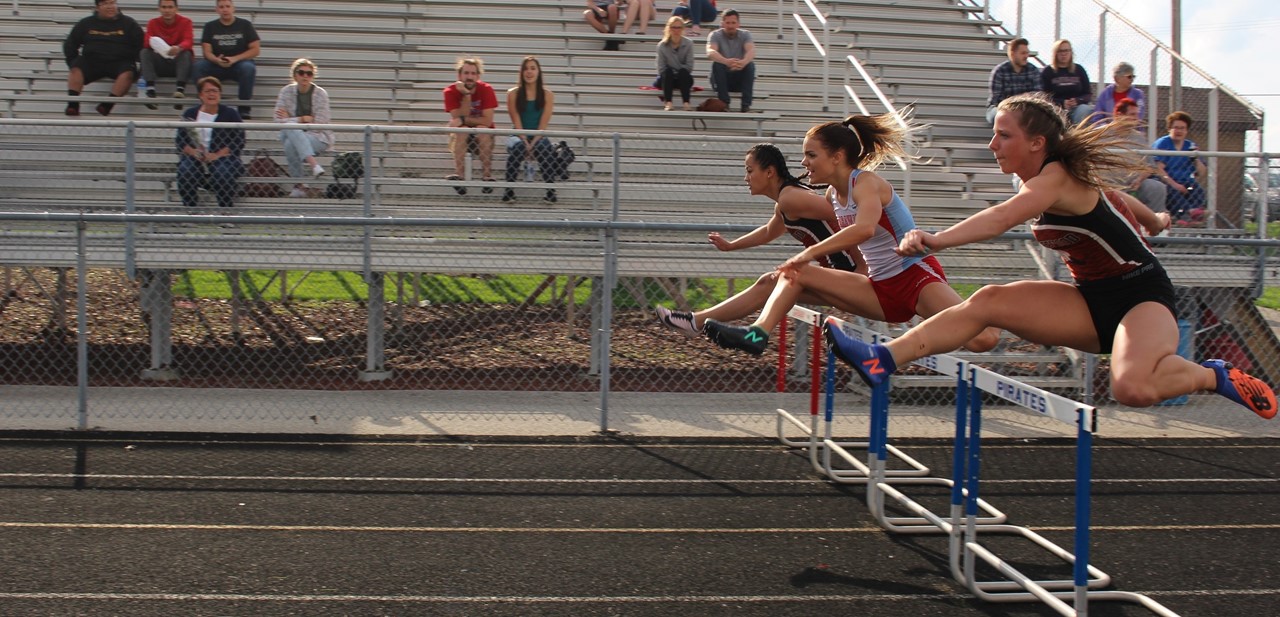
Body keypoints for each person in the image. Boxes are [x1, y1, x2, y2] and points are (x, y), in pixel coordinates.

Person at [823, 92, 1275, 420]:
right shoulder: (1056, 179)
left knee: (1132, 387)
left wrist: (936, 239)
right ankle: (881, 360)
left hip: (1141, 298)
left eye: (1003, 135)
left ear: (1036, 143)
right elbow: (1108, 193)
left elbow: (1001, 219)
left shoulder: (1053, 180)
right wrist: (1152, 219)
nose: (992, 144)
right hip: (1089, 299)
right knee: (989, 300)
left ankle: (1213, 375)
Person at [700, 113, 1001, 357]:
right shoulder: (832, 194)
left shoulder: (866, 183)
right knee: (790, 275)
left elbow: (864, 228)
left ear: (837, 156)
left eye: (811, 154)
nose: (804, 162)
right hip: (878, 288)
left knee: (983, 339)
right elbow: (784, 224)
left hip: (914, 277)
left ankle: (993, 302)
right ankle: (756, 334)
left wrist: (807, 254)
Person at [655, 143, 863, 337]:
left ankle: (717, 326)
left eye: (749, 170)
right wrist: (731, 246)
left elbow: (843, 216)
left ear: (770, 172)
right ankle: (696, 322)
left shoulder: (791, 198)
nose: (746, 178)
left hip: (852, 276)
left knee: (777, 280)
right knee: (769, 282)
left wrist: (862, 266)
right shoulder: (784, 203)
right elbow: (769, 232)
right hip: (841, 275)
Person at [63, 0, 144, 117]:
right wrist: (72, 62)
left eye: (113, 3)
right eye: (105, 4)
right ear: (97, 7)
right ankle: (73, 105)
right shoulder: (86, 23)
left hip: (119, 62)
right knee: (76, 68)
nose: (110, 7)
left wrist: (138, 68)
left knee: (128, 74)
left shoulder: (129, 23)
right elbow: (70, 44)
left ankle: (106, 106)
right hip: (92, 61)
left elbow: (140, 45)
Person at [176, 76, 244, 209]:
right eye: (208, 91)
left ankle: (226, 211)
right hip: (196, 157)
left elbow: (239, 140)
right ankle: (190, 210)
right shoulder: (190, 113)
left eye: (215, 91)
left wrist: (216, 155)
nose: (212, 94)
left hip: (223, 158)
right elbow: (180, 140)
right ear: (200, 95)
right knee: (186, 170)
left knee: (222, 172)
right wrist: (194, 152)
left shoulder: (230, 114)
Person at [502, 56, 558, 204]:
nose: (529, 72)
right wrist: (525, 142)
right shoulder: (513, 93)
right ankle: (509, 191)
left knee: (543, 148)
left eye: (533, 68)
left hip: (538, 135)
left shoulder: (548, 95)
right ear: (521, 72)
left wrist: (533, 144)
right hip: (518, 135)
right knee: (518, 147)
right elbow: (516, 121)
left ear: (539, 72)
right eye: (526, 69)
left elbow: (543, 125)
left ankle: (550, 191)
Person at [273, 58, 333, 198]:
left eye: (309, 73)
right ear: (295, 75)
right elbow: (277, 119)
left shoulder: (320, 94)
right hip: (292, 133)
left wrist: (290, 120)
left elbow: (320, 123)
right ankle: (314, 166)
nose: (305, 76)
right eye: (301, 73)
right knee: (291, 129)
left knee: (290, 142)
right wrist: (302, 119)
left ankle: (298, 185)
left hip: (318, 137)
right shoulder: (286, 92)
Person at [193, 0, 259, 119]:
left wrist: (235, 59)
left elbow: (255, 50)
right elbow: (206, 51)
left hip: (238, 64)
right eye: (221, 7)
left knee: (248, 68)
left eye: (227, 6)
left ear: (233, 8)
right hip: (217, 64)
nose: (225, 9)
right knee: (198, 66)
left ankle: (244, 109)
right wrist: (216, 60)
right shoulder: (210, 26)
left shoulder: (245, 25)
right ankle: (205, 104)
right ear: (217, 10)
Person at [443, 57, 499, 195]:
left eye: (473, 74)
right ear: (459, 75)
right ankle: (459, 177)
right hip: (462, 137)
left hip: (483, 136)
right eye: (466, 73)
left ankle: (487, 177)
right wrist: (467, 95)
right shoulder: (450, 91)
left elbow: (486, 121)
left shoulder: (486, 89)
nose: (470, 77)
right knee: (462, 130)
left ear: (478, 76)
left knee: (483, 130)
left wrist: (463, 119)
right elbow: (457, 120)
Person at [1152, 110, 1209, 221]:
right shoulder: (1163, 143)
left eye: (1182, 128)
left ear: (1187, 130)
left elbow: (1202, 172)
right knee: (1171, 190)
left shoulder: (1190, 145)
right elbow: (1158, 169)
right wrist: (1175, 185)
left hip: (1186, 182)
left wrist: (1195, 158)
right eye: (1176, 128)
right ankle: (1189, 213)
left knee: (1197, 190)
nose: (1179, 131)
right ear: (1169, 129)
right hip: (1167, 181)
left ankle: (1191, 217)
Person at [139, 0, 194, 110]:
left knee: (186, 53)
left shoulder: (186, 22)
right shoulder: (153, 23)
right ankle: (150, 91)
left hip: (177, 64)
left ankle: (179, 92)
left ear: (176, 9)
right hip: (160, 63)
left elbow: (188, 41)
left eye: (170, 7)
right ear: (159, 9)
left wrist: (179, 48)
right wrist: (159, 46)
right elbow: (146, 42)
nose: (167, 10)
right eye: (164, 7)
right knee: (144, 52)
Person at [1116, 98, 1166, 214]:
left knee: (1157, 188)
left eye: (1137, 114)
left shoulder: (1139, 138)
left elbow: (1150, 166)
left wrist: (1139, 180)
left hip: (1133, 185)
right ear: (1119, 115)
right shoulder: (1102, 134)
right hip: (1107, 185)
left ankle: (1155, 225)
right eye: (1132, 114)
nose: (1136, 118)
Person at [707, 9, 755, 113]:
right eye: (728, 23)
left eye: (733, 23)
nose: (731, 26)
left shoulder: (746, 34)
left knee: (750, 65)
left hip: (738, 78)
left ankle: (746, 105)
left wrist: (743, 62)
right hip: (721, 79)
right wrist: (726, 61)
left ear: (738, 24)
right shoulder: (715, 35)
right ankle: (724, 103)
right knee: (717, 64)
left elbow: (751, 50)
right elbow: (710, 51)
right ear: (722, 24)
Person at [985, 37, 1040, 125]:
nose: (1026, 56)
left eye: (1027, 53)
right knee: (1001, 115)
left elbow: (1037, 96)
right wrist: (1016, 106)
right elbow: (998, 100)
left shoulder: (1033, 71)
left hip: (1026, 109)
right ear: (1012, 54)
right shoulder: (1000, 71)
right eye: (1023, 53)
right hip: (1000, 108)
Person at [1041, 39, 1094, 125]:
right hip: (1056, 108)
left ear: (1071, 52)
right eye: (1060, 51)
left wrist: (1077, 100)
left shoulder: (1079, 70)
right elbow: (1043, 96)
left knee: (1085, 109)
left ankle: (1076, 136)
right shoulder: (1048, 71)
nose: (1064, 53)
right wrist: (1062, 102)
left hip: (1077, 108)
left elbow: (1088, 94)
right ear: (1055, 53)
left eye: (1066, 50)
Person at [657, 16, 694, 112]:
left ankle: (686, 103)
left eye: (679, 27)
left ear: (683, 29)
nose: (676, 30)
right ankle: (668, 102)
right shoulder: (662, 46)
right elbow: (661, 68)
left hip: (683, 77)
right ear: (669, 28)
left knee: (683, 72)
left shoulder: (689, 44)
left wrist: (677, 71)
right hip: (668, 78)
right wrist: (674, 72)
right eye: (673, 27)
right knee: (667, 72)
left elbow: (689, 66)